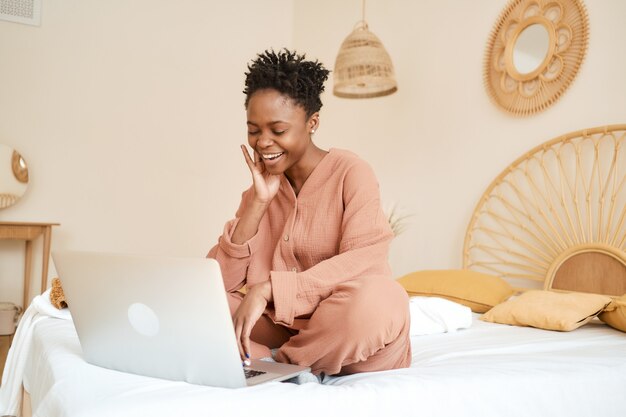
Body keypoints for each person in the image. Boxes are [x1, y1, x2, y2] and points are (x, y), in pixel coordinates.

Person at [207, 49, 411, 378]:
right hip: (284, 329)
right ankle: (286, 361)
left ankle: (275, 363)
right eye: (254, 130)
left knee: (382, 300)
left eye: (278, 130)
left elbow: (363, 262)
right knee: (205, 303)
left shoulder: (351, 172)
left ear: (312, 122)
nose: (263, 142)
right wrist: (258, 203)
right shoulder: (260, 190)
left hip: (344, 326)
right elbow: (217, 282)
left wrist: (271, 289)